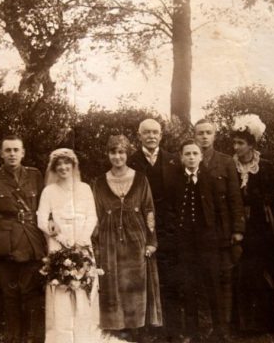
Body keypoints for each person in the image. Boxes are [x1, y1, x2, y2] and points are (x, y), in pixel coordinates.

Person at [92, 135, 162, 341]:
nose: (117, 157)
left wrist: (151, 241)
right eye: (113, 152)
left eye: (121, 152)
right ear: (108, 155)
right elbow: (95, 214)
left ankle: (137, 326)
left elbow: (149, 210)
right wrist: (95, 244)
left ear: (127, 154)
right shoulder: (99, 182)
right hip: (109, 239)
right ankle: (117, 326)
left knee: (136, 281)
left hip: (136, 236)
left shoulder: (140, 179)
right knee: (114, 280)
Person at [0, 136, 47, 343]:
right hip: (4, 243)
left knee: (31, 292)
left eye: (16, 150)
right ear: (0, 154)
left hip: (30, 240)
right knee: (10, 295)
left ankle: (33, 336)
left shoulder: (35, 176)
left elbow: (44, 210)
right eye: (7, 150)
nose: (12, 154)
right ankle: (13, 336)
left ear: (23, 153)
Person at [37, 148, 101, 343]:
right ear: (54, 168)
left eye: (67, 164)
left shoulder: (84, 188)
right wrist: (63, 239)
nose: (63, 168)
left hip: (82, 245)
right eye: (59, 165)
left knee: (83, 289)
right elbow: (41, 219)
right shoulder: (49, 191)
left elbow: (92, 216)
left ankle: (85, 336)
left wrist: (81, 241)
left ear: (74, 166)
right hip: (59, 246)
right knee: (63, 289)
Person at [194, 119, 245, 340]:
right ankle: (206, 326)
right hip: (198, 232)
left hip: (221, 230)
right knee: (205, 279)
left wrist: (238, 229)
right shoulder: (188, 160)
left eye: (208, 133)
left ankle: (223, 327)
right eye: (200, 133)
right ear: (194, 136)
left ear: (215, 136)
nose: (204, 137)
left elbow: (235, 198)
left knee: (224, 278)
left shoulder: (225, 163)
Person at [127, 119, 179, 337]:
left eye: (155, 132)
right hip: (140, 229)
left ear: (161, 135)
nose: (151, 136)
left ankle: (170, 329)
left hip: (167, 228)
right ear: (139, 136)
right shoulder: (130, 161)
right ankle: (145, 329)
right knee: (142, 277)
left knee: (168, 277)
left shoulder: (173, 160)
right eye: (146, 132)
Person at [167, 139, 222, 343]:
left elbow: (218, 210)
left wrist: (218, 235)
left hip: (207, 239)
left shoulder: (211, 179)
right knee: (188, 284)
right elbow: (171, 209)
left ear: (201, 156)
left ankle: (218, 329)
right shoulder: (175, 180)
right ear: (181, 157)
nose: (191, 157)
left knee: (212, 283)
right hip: (185, 241)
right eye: (187, 154)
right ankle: (192, 330)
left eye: (195, 153)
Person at [230, 114, 274, 334]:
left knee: (260, 271)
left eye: (241, 143)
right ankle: (241, 323)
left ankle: (264, 322)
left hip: (260, 227)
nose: (236, 146)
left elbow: (273, 197)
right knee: (239, 272)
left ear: (251, 145)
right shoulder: (230, 166)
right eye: (235, 142)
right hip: (238, 226)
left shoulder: (265, 167)